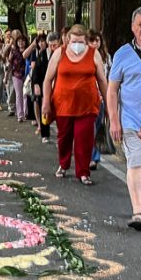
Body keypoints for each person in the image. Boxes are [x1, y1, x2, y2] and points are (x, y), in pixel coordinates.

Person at [107, 6, 141, 230]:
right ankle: (138, 210)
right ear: (132, 27)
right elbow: (112, 90)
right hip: (131, 120)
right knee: (136, 161)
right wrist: (114, 120)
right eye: (140, 24)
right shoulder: (123, 54)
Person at [42, 25, 107, 183]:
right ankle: (63, 164)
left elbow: (102, 80)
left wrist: (109, 102)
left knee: (83, 138)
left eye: (80, 41)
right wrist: (46, 101)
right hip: (63, 105)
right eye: (74, 41)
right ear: (67, 40)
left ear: (85, 41)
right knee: (64, 138)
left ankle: (83, 172)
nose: (77, 44)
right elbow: (48, 79)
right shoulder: (59, 53)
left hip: (87, 106)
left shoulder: (93, 54)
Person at [28, 32, 59, 143]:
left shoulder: (61, 54)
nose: (52, 47)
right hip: (43, 84)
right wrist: (36, 84)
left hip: (58, 86)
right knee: (44, 109)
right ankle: (45, 134)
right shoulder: (43, 54)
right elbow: (36, 70)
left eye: (55, 45)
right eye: (50, 45)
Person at [88, 30, 111, 170]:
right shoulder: (84, 57)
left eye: (97, 40)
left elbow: (110, 77)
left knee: (97, 126)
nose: (95, 43)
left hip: (101, 97)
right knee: (89, 128)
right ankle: (88, 155)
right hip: (88, 97)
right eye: (92, 41)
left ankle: (94, 156)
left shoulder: (106, 57)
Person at [9, 32, 28, 121]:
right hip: (16, 75)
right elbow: (9, 62)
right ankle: (20, 115)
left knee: (26, 94)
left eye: (22, 41)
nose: (21, 43)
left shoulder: (28, 50)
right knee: (19, 95)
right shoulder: (14, 51)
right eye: (19, 41)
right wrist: (6, 76)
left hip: (27, 75)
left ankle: (26, 113)